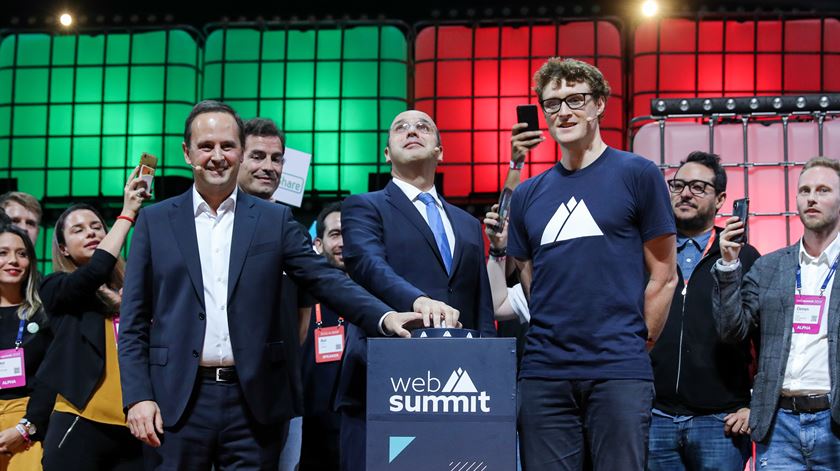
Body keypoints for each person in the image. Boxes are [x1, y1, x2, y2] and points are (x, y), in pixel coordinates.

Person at [118, 100, 434, 471]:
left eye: (227, 146)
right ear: (187, 153)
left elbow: (326, 279)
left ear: (239, 151)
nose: (217, 156)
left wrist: (384, 317)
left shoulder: (274, 220)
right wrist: (137, 396)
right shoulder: (155, 222)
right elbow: (134, 321)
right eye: (206, 147)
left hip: (254, 403)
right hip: (175, 400)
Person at [506, 58, 678, 470]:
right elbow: (530, 276)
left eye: (576, 99)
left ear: (599, 104)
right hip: (544, 373)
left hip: (618, 370)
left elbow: (664, 276)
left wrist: (638, 343)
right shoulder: (529, 193)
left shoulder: (637, 173)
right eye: (553, 104)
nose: (564, 111)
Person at [339, 109, 496, 471]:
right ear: (386, 153)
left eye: (423, 127)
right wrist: (418, 300)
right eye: (401, 128)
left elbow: (480, 304)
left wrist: (491, 371)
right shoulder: (365, 207)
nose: (412, 131)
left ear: (440, 150)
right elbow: (368, 266)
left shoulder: (467, 224)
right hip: (384, 382)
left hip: (459, 392)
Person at [713, 156, 840, 468]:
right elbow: (732, 331)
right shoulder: (769, 266)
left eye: (823, 190)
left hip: (835, 422)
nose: (811, 198)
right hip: (779, 422)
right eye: (805, 190)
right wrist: (729, 264)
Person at [647, 151, 760, 470]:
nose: (684, 193)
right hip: (655, 418)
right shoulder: (650, 253)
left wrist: (755, 406)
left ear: (721, 199)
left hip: (720, 421)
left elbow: (766, 337)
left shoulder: (745, 257)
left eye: (698, 187)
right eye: (678, 184)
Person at [34, 167, 149, 470]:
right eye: (79, 230)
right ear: (62, 248)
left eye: (97, 226)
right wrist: (128, 213)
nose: (92, 233)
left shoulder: (135, 288)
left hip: (135, 425)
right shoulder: (55, 287)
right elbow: (94, 273)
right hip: (79, 420)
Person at [237, 117, 314, 470]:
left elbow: (302, 314)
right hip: (216, 393)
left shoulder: (291, 230)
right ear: (237, 158)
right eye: (257, 156)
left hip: (278, 392)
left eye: (276, 158)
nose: (268, 166)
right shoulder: (212, 225)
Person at [0, 224, 52, 470]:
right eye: (3, 253)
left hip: (26, 428)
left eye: (22, 254)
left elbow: (50, 378)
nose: (13, 260)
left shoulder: (43, 314)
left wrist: (25, 428)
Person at [299, 202, 344, 470]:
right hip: (310, 425)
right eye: (336, 234)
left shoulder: (375, 294)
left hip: (355, 420)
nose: (343, 243)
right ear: (319, 243)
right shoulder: (304, 292)